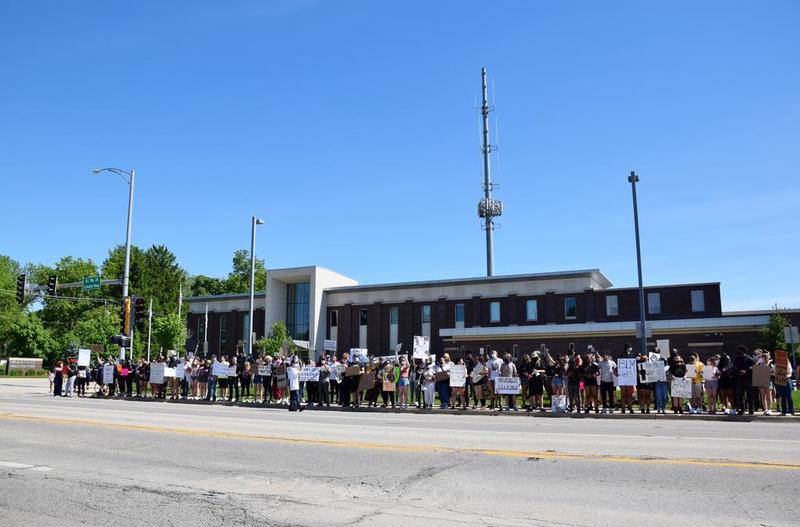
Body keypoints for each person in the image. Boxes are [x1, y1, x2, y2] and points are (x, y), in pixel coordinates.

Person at [733, 345, 755, 415]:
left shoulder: (750, 359)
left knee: (750, 395)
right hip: (740, 379)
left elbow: (753, 368)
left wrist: (746, 371)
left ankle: (751, 410)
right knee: (740, 395)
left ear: (743, 351)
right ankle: (742, 409)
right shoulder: (737, 359)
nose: (738, 352)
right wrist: (739, 371)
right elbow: (734, 367)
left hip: (748, 380)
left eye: (739, 350)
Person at [755, 350, 773, 415]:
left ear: (767, 358)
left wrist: (770, 370)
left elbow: (772, 372)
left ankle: (769, 409)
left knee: (769, 396)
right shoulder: (759, 364)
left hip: (768, 381)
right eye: (762, 357)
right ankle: (765, 409)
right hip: (761, 381)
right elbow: (755, 369)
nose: (763, 358)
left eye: (764, 357)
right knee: (763, 396)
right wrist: (757, 362)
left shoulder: (770, 364)